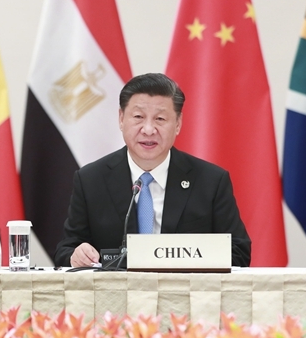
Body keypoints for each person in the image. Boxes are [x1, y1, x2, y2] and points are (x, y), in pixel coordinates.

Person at [55, 73, 251, 268]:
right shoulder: (91, 180)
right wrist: (76, 256)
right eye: (138, 117)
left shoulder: (210, 181)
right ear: (121, 119)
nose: (148, 129)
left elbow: (239, 252)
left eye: (160, 119)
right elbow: (66, 249)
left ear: (178, 123)